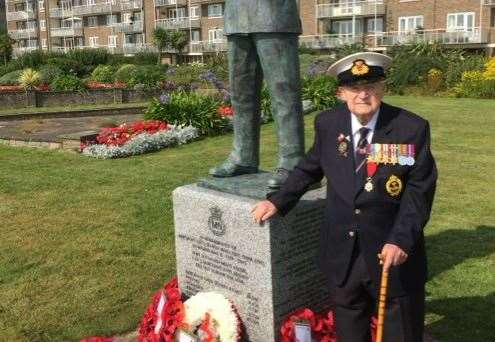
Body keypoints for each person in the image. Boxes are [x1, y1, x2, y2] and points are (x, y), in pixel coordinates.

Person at [251, 52, 437, 342]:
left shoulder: (410, 128)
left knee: (399, 329)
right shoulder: (328, 124)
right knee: (349, 327)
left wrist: (401, 239)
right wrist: (277, 200)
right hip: (343, 252)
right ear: (341, 93)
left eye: (372, 86)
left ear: (383, 87)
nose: (363, 94)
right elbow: (310, 167)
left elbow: (419, 191)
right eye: (354, 88)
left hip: (390, 252)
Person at [208, 0, 305, 189]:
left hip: (274, 15)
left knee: (283, 93)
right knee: (241, 95)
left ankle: (292, 162)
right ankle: (243, 157)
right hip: (237, 17)